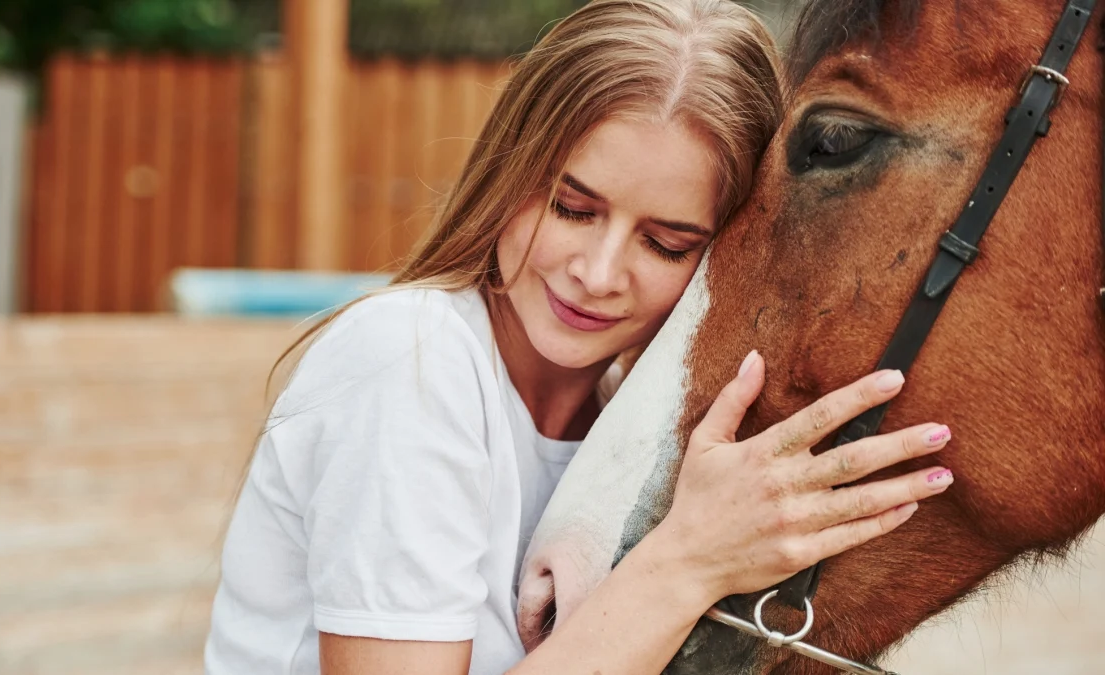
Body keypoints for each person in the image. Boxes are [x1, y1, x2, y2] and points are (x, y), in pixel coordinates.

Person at [204, 1, 954, 673]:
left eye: (666, 244)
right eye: (572, 208)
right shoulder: (412, 358)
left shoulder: (629, 436)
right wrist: (689, 561)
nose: (597, 274)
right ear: (509, 169)